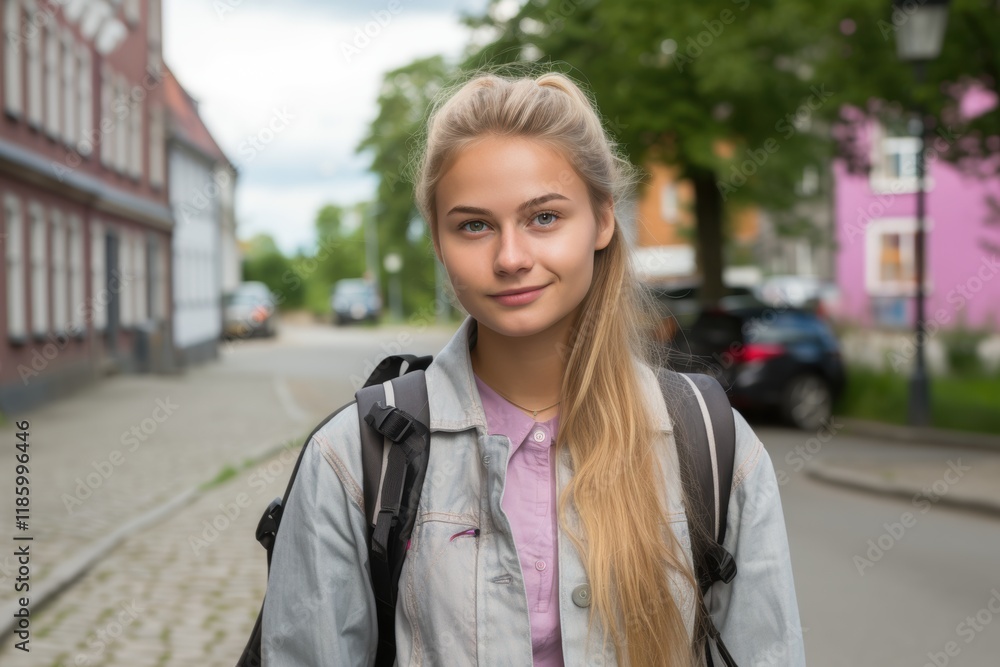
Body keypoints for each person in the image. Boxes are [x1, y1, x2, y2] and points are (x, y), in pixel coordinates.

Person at [261, 69, 806, 666]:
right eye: (474, 225)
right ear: (440, 245)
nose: (511, 257)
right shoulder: (355, 458)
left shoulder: (711, 443)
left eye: (544, 217)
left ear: (602, 220)